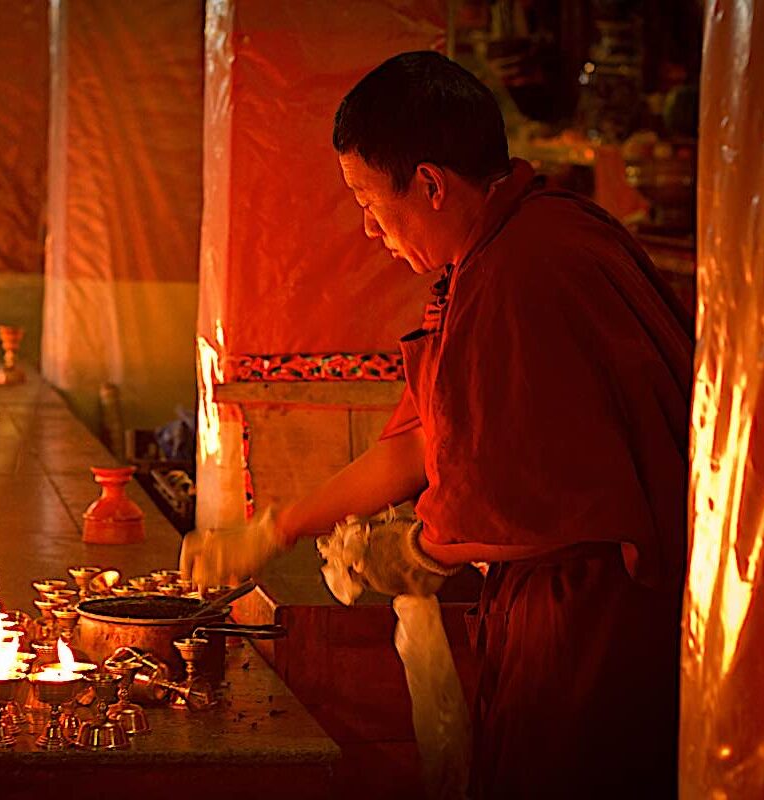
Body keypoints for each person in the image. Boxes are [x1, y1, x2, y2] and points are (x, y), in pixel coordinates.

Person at [180, 51, 693, 798]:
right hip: (557, 606)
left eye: (367, 200)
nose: (367, 230)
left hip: (592, 624)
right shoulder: (496, 254)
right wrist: (273, 529)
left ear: (429, 183)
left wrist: (418, 550)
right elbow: (421, 440)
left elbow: (539, 506)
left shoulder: (528, 270)